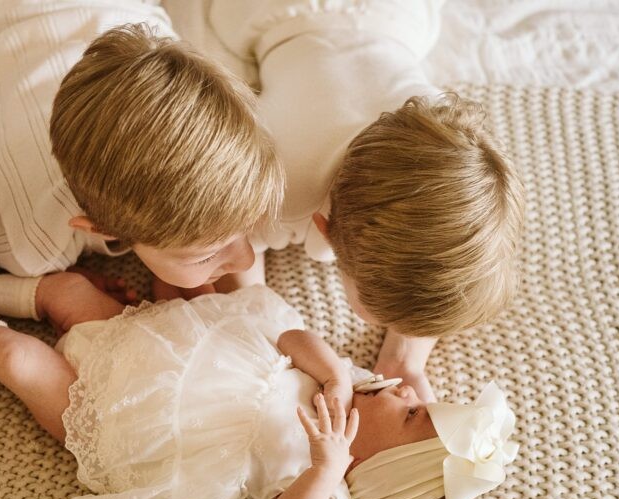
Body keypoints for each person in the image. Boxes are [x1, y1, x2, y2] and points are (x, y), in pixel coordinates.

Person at [0, 273, 518, 499]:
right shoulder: (353, 385)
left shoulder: (326, 497)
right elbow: (286, 334)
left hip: (117, 421)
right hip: (154, 344)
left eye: (412, 413)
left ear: (373, 468)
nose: (402, 391)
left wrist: (324, 470)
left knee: (19, 359)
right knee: (69, 292)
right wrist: (333, 375)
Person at [191, 0, 525, 403]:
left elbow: (440, 253)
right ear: (323, 228)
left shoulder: (454, 141)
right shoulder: (280, 181)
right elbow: (237, 257)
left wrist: (405, 361)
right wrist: (269, 336)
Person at [0, 4, 283, 299]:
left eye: (248, 229)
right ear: (98, 228)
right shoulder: (31, 244)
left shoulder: (183, 78)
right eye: (205, 256)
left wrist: (252, 300)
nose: (248, 259)